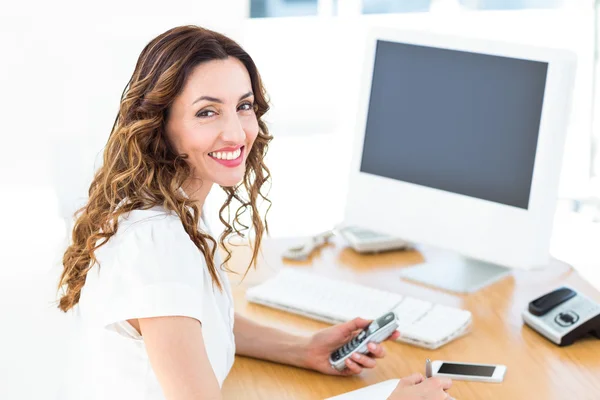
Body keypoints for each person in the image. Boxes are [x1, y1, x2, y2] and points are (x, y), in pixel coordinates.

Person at [56, 25, 453, 400]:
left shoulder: (172, 204)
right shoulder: (157, 243)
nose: (236, 132)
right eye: (207, 112)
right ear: (160, 124)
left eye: (243, 106)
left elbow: (196, 320)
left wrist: (304, 348)